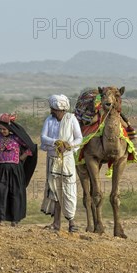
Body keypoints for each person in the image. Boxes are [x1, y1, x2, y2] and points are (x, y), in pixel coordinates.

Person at [0, 113, 37, 226]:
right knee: (2, 193)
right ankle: (1, 220)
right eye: (1, 129)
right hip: (0, 168)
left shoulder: (16, 138)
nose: (3, 131)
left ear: (10, 128)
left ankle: (15, 220)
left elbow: (31, 147)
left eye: (5, 129)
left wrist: (22, 157)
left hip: (15, 169)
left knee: (15, 193)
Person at [40, 95, 83, 232]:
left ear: (60, 109)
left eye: (53, 109)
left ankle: (72, 223)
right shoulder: (49, 120)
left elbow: (79, 138)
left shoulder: (71, 119)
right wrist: (56, 142)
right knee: (54, 191)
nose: (51, 111)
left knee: (68, 190)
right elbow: (43, 137)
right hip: (53, 159)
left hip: (67, 159)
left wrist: (67, 145)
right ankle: (56, 223)